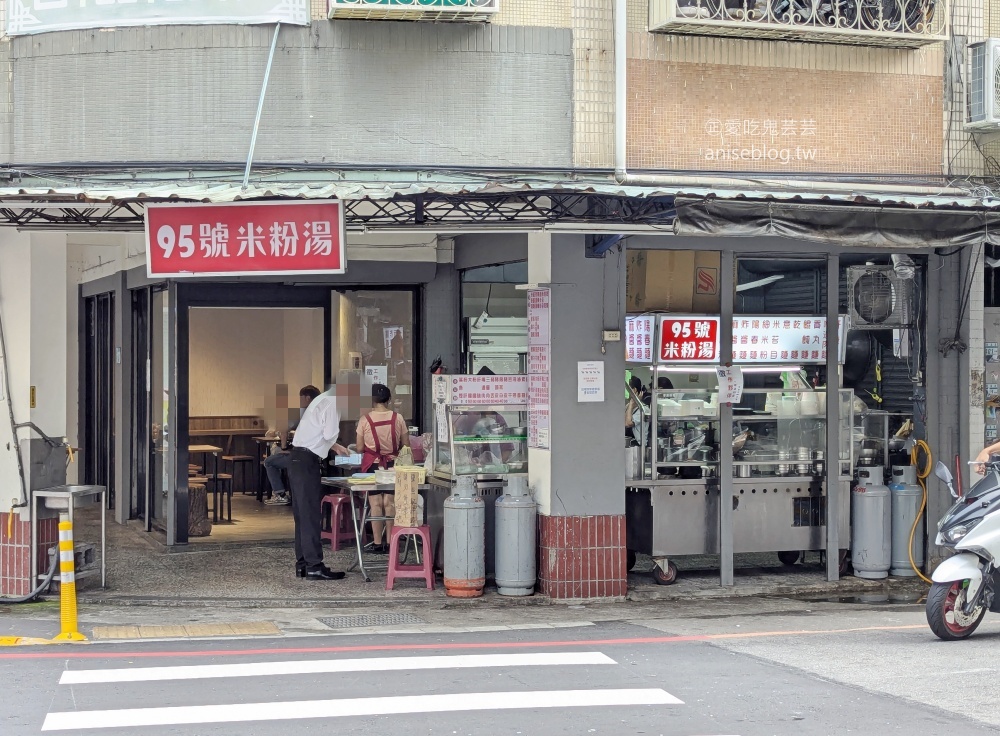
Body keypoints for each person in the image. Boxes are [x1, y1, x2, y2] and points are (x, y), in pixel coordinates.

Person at [288, 386, 351, 580]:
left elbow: (317, 433)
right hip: (307, 462)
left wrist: (336, 446)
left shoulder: (323, 399)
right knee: (311, 515)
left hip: (296, 458)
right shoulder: (334, 403)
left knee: (302, 515)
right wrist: (337, 446)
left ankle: (303, 564)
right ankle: (314, 566)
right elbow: (329, 432)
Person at [356, 384, 409, 553]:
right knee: (390, 503)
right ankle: (391, 542)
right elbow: (406, 445)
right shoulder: (398, 418)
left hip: (372, 464)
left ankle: (378, 543)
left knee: (375, 503)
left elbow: (358, 447)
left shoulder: (365, 420)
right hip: (393, 464)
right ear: (389, 400)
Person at [264, 385, 321, 506]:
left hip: (300, 457)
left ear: (307, 398)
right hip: (317, 457)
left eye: (301, 398)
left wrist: (284, 448)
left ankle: (280, 494)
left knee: (269, 461)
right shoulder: (321, 412)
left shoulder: (301, 412)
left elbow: (283, 430)